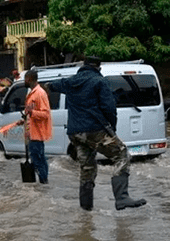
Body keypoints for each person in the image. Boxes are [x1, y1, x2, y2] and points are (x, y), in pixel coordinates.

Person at [48, 56, 146, 211]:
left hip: (75, 133)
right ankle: (122, 197)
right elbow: (109, 108)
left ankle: (86, 209)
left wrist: (48, 86)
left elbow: (52, 85)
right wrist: (112, 129)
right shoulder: (99, 82)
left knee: (87, 167)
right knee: (122, 154)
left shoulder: (70, 82)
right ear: (98, 68)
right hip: (94, 129)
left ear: (83, 66)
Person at [19, 69, 52, 184]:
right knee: (38, 159)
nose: (24, 81)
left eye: (25, 79)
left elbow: (45, 114)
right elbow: (31, 112)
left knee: (38, 161)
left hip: (37, 134)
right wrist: (24, 118)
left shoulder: (39, 93)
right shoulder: (32, 93)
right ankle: (43, 183)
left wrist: (32, 113)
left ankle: (44, 183)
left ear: (30, 79)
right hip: (31, 133)